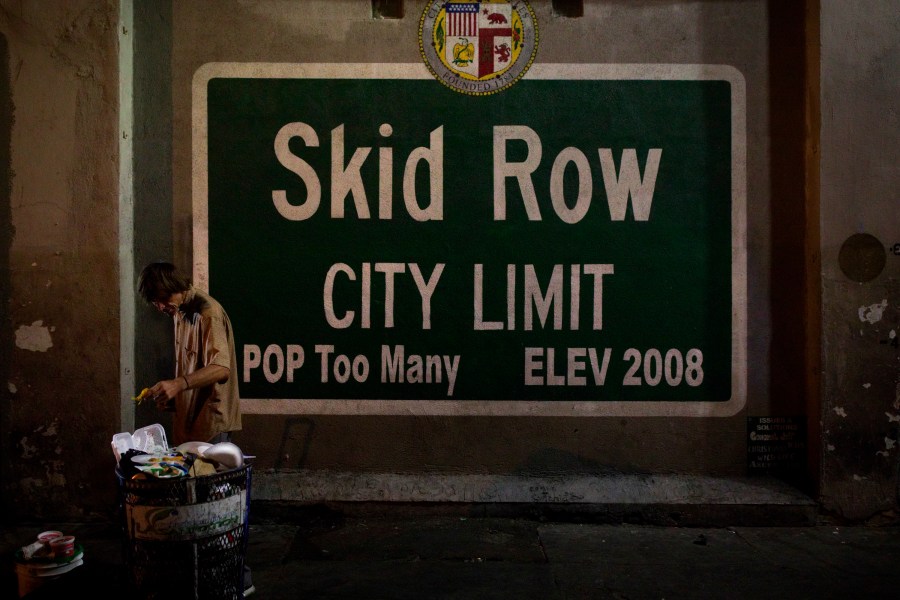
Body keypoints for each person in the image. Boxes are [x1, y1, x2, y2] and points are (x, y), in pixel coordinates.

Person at [137, 261, 255, 597]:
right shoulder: (180, 314)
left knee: (218, 510)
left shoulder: (207, 313)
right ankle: (205, 576)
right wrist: (174, 398)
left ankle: (238, 578)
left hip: (211, 423)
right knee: (197, 510)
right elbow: (189, 364)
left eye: (161, 300)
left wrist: (179, 383)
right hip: (189, 422)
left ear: (171, 287)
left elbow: (220, 368)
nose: (160, 308)